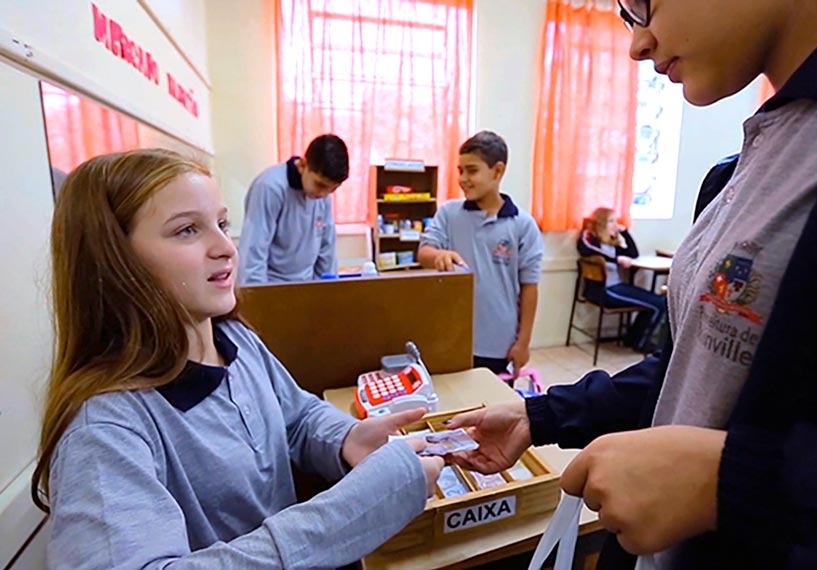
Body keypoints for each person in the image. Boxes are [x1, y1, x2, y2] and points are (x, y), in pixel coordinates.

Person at [447, 1, 817, 568]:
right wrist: (537, 415)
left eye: (644, 4)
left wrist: (731, 481)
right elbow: (690, 370)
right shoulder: (739, 166)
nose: (637, 44)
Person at [32, 148, 444, 569]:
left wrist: (344, 439)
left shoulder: (235, 339)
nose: (226, 247)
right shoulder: (104, 431)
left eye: (222, 224)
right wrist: (358, 508)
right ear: (115, 260)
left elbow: (297, 416)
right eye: (188, 230)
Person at [418, 130, 543, 376]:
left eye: (471, 170)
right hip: (450, 336)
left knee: (492, 410)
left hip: (497, 342)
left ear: (497, 171)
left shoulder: (522, 225)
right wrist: (438, 256)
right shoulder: (449, 213)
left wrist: (523, 343)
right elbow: (424, 252)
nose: (463, 178)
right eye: (460, 170)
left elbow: (529, 287)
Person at [238, 134, 348, 284]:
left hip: (307, 285)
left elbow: (327, 250)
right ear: (303, 165)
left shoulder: (323, 196)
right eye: (320, 185)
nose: (324, 194)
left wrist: (327, 292)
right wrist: (257, 298)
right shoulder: (270, 187)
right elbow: (254, 250)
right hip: (272, 285)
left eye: (333, 189)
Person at [578, 206, 666, 352]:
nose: (615, 224)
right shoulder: (590, 239)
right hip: (604, 290)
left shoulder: (612, 244)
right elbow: (587, 249)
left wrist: (625, 232)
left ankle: (632, 339)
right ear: (601, 223)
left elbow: (633, 254)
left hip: (616, 286)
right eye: (611, 221)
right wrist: (616, 259)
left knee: (657, 302)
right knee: (658, 304)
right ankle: (640, 344)